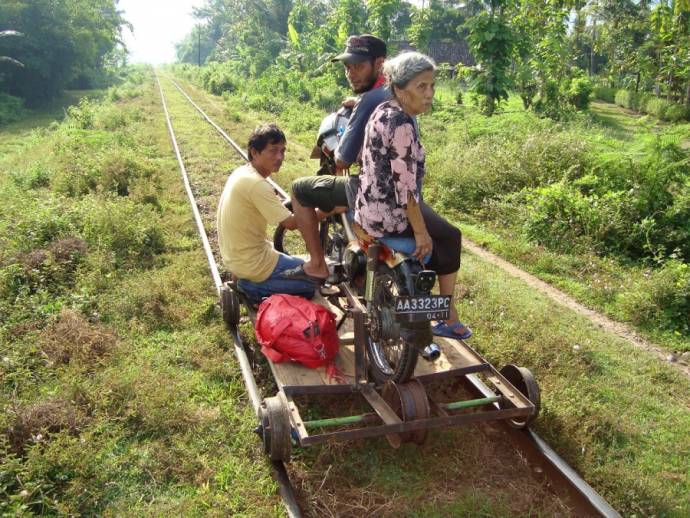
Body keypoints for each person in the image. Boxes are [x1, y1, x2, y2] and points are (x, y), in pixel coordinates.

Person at [354, 52, 472, 339]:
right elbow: (406, 191)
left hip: (369, 207)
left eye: (432, 85)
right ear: (399, 88)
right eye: (422, 86)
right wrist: (421, 233)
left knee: (436, 225)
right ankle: (447, 315)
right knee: (450, 236)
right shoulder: (402, 125)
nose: (430, 94)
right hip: (391, 215)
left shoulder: (383, 110)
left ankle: (434, 305)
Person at [283, 34, 390, 283]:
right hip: (402, 189)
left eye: (359, 66)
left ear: (379, 64)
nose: (351, 73)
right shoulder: (398, 92)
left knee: (300, 189)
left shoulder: (369, 100)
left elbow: (342, 160)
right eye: (347, 68)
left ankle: (318, 264)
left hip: (372, 190)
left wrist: (358, 107)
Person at [216, 124, 315, 304]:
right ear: (254, 152)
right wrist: (328, 210)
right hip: (254, 263)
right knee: (310, 285)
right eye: (273, 150)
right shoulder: (256, 184)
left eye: (283, 151)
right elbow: (292, 224)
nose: (280, 157)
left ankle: (246, 279)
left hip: (240, 258)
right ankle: (249, 287)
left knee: (307, 270)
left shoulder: (243, 172)